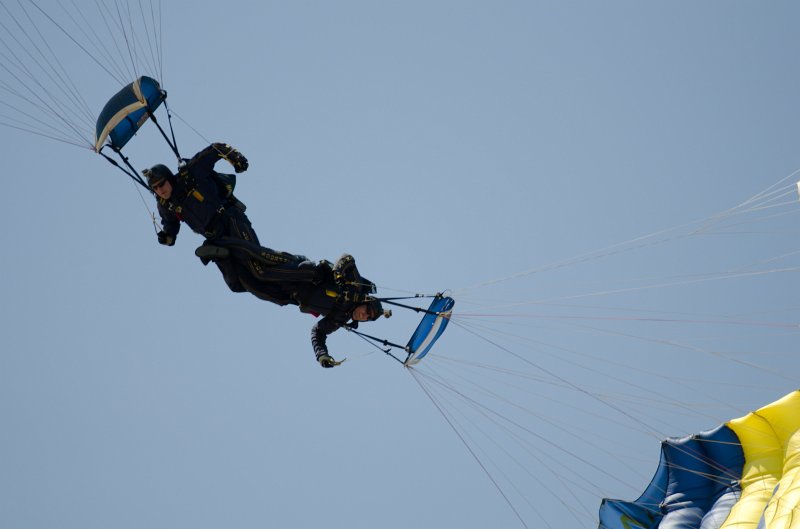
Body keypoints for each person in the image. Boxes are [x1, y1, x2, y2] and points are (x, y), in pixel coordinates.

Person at [146, 142, 322, 305]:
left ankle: (311, 270)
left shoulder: (190, 174)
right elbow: (171, 229)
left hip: (230, 220)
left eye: (162, 184)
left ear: (169, 178)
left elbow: (216, 148)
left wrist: (236, 159)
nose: (160, 190)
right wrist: (166, 237)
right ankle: (297, 296)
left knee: (259, 268)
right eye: (155, 188)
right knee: (243, 283)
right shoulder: (165, 206)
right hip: (216, 239)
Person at [290, 254, 389, 368]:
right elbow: (348, 259)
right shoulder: (355, 289)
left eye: (368, 317)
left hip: (289, 295)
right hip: (300, 271)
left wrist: (322, 355)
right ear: (364, 302)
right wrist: (338, 273)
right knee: (268, 268)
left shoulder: (340, 318)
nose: (364, 315)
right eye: (367, 310)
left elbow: (318, 332)